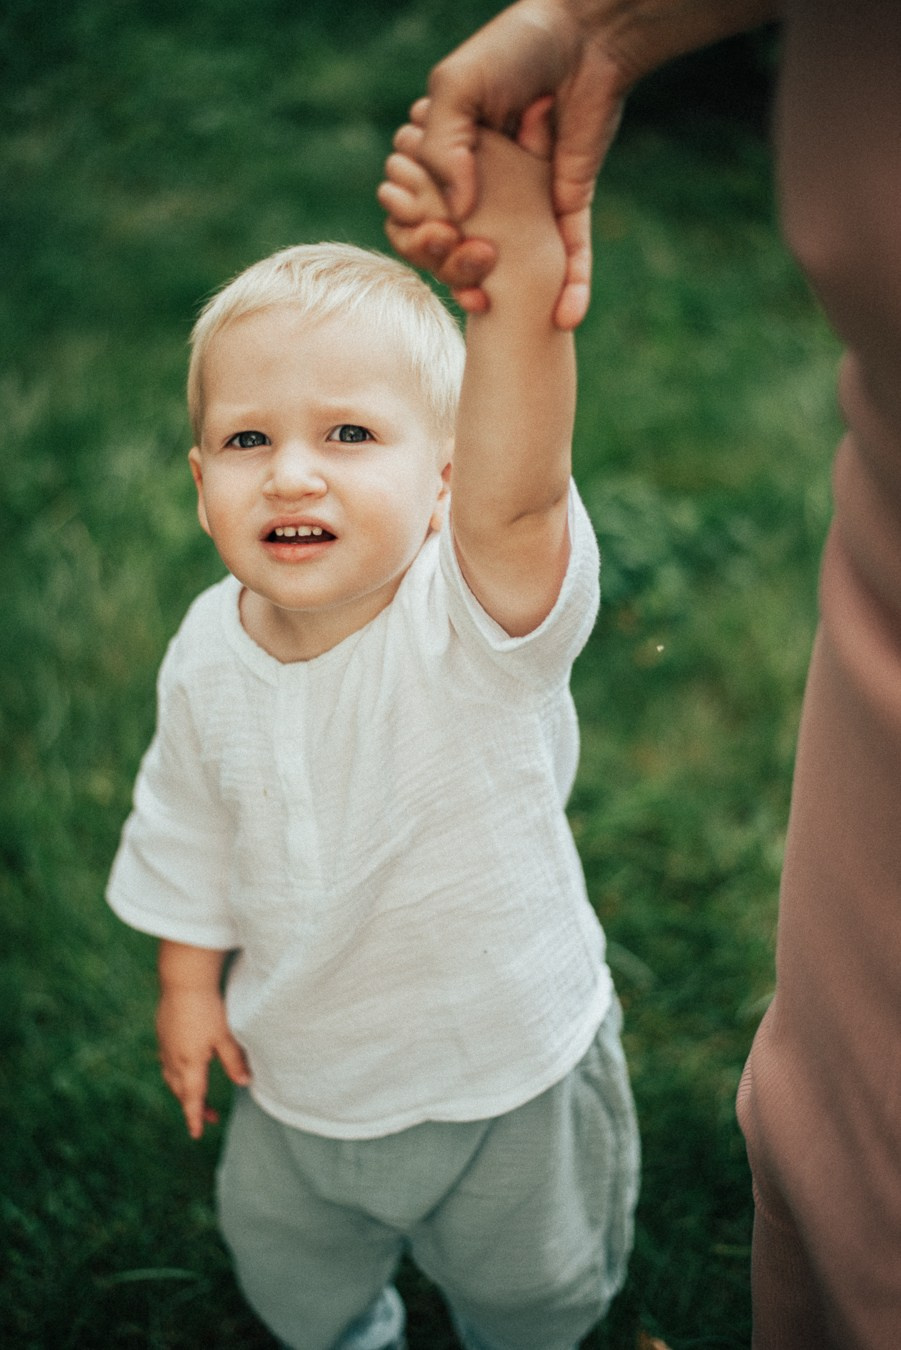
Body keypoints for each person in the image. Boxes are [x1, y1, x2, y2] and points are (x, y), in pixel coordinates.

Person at [379, 2, 901, 1348]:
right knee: (849, 1170)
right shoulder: (223, 659)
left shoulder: (470, 594)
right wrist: (601, 25)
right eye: (251, 436)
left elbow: (504, 532)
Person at [106, 111, 639, 1350]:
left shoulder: (472, 622)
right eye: (249, 441)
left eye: (348, 434)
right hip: (299, 1071)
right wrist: (190, 981)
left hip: (505, 1068)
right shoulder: (205, 649)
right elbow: (185, 814)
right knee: (295, 1275)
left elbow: (523, 495)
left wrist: (515, 297)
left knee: (531, 1293)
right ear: (200, 485)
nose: (292, 474)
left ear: (445, 479)